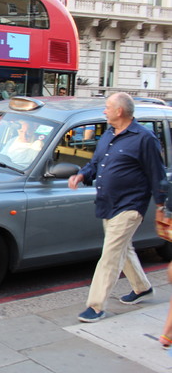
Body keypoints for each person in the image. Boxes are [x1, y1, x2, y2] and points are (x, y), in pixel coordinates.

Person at [68, 92, 167, 323]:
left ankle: (95, 306)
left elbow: (157, 175)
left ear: (119, 111)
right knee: (123, 248)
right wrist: (81, 175)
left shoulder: (145, 139)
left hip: (130, 206)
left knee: (110, 255)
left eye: (107, 107)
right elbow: (95, 163)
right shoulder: (109, 135)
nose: (104, 111)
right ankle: (142, 288)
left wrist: (162, 205)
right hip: (108, 203)